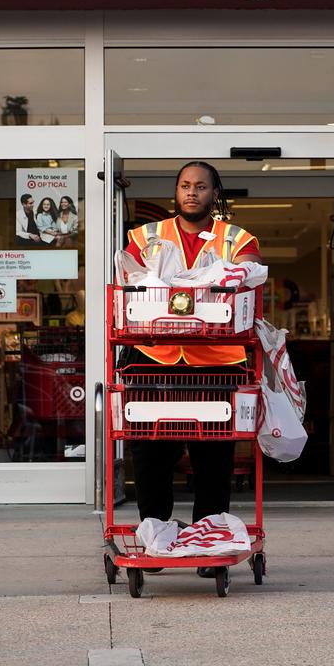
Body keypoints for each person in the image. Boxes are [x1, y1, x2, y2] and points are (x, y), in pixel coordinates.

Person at [121, 162, 262, 540]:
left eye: (201, 186)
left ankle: (209, 537)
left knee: (214, 457)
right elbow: (128, 275)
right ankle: (154, 533)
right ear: (176, 191)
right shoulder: (146, 235)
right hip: (153, 358)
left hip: (217, 361)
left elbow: (250, 269)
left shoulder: (236, 237)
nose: (191, 192)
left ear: (215, 194)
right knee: (151, 454)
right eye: (185, 185)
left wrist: (236, 272)